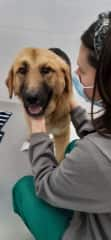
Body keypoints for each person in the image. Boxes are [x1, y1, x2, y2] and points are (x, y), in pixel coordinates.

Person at [12, 11, 111, 240]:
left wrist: (37, 130)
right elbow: (98, 143)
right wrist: (74, 104)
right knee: (74, 148)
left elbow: (45, 185)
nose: (76, 74)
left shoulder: (97, 155)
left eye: (82, 71)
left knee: (25, 188)